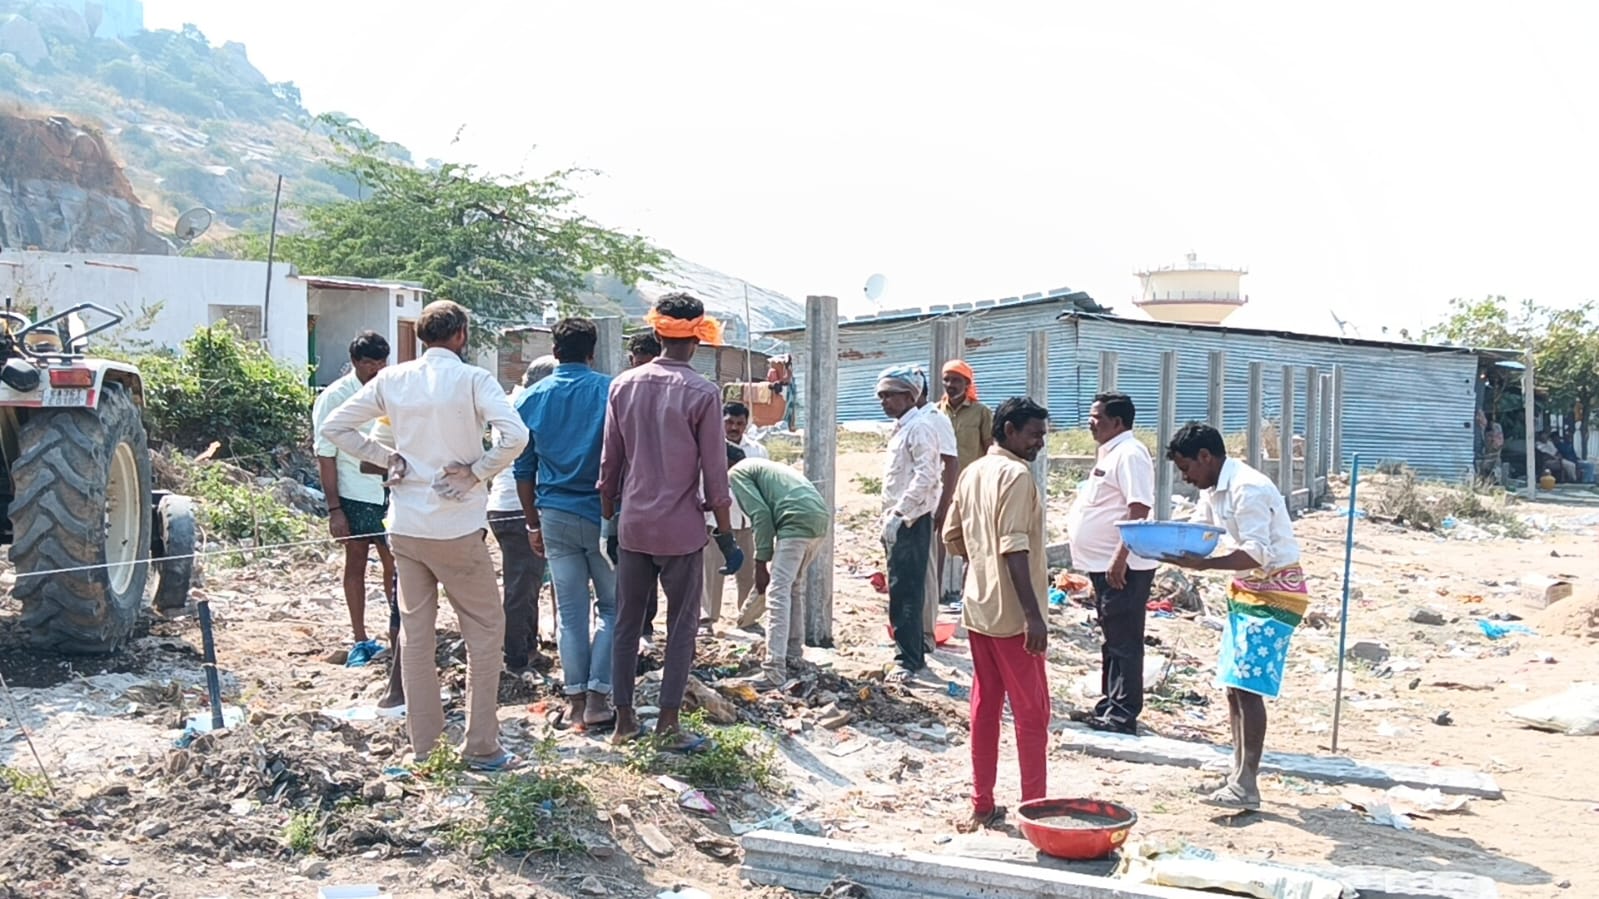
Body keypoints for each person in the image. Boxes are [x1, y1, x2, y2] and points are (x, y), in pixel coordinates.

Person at [321, 300, 529, 771]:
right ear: (461, 335)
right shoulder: (474, 379)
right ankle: (480, 745)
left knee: (415, 637)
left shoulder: (393, 380)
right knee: (484, 631)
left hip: (406, 526)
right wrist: (476, 471)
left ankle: (425, 748)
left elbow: (335, 427)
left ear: (420, 336)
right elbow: (515, 436)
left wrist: (384, 457)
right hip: (456, 527)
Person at [600, 292, 744, 749]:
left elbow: (610, 466)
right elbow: (715, 476)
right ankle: (668, 724)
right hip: (681, 530)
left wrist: (608, 522)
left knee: (626, 622)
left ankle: (623, 722)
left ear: (657, 332)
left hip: (633, 525)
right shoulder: (703, 392)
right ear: (698, 337)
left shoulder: (623, 385)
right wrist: (727, 536)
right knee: (681, 626)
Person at [1163, 422, 1308, 810]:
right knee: (1233, 684)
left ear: (1206, 458)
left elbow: (1256, 552)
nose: (1185, 477)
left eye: (1186, 468)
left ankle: (1247, 782)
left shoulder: (1249, 488)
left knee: (1248, 686)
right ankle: (1238, 774)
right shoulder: (1214, 489)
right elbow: (1201, 530)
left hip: (1275, 590)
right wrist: (1164, 542)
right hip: (1246, 589)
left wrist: (1204, 566)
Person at [944, 397, 1052, 832]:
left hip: (977, 607)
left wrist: (981, 560)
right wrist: (1034, 616)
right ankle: (1036, 811)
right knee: (1032, 715)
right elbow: (1014, 546)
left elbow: (952, 536)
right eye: (1033, 435)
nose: (1039, 444)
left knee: (985, 707)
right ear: (1008, 431)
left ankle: (983, 802)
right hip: (1012, 616)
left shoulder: (973, 472)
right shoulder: (1016, 475)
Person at [515, 320, 617, 732]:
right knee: (612, 609)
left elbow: (524, 469)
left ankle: (574, 704)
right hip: (604, 514)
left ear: (554, 351)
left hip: (552, 513)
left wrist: (531, 524)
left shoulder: (532, 397)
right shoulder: (611, 391)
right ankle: (598, 700)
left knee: (571, 614)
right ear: (592, 352)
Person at [311, 331, 404, 705]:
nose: (376, 370)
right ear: (356, 362)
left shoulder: (391, 390)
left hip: (391, 488)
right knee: (357, 562)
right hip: (354, 492)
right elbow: (325, 454)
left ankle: (397, 635)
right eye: (370, 365)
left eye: (382, 363)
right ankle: (359, 637)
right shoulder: (333, 397)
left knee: (394, 565)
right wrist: (334, 509)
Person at [1065, 392, 1156, 734]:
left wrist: (1120, 558)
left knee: (1124, 640)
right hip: (1106, 564)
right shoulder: (1113, 453)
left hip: (1123, 567)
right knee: (1112, 637)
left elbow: (1138, 509)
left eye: (1097, 417)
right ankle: (1110, 705)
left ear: (1117, 422)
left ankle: (1122, 714)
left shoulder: (1131, 454)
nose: (1091, 423)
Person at [727, 456, 831, 687]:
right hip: (819, 518)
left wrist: (760, 563)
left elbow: (761, 516)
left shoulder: (737, 473)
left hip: (795, 520)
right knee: (792, 587)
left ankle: (774, 669)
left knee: (777, 592)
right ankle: (793, 653)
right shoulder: (761, 466)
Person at [487, 355, 557, 673]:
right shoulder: (531, 406)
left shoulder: (510, 402)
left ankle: (526, 646)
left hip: (505, 505)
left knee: (525, 583)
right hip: (518, 506)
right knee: (522, 586)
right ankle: (516, 656)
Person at [878, 364, 943, 681]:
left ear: (908, 396)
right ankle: (908, 651)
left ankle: (909, 659)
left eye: (889, 395)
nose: (884, 401)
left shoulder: (920, 428)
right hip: (898, 519)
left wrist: (901, 512)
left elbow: (926, 476)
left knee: (907, 591)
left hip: (910, 521)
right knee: (899, 588)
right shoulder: (903, 429)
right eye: (882, 396)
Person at [705, 401, 767, 632]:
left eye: (739, 423)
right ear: (721, 421)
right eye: (729, 422)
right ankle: (707, 619)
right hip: (714, 521)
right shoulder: (708, 446)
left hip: (746, 520)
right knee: (711, 572)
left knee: (749, 573)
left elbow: (763, 483)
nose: (734, 427)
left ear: (746, 424)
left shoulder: (757, 450)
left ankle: (748, 619)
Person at [938, 359, 994, 606]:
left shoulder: (981, 412)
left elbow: (991, 449)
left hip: (971, 487)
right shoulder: (935, 412)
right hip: (939, 487)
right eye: (947, 380)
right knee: (938, 541)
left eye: (956, 380)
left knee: (970, 543)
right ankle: (935, 594)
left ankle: (967, 597)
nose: (951, 385)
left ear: (967, 384)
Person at [914, 367, 960, 651]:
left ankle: (926, 635)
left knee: (928, 573)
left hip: (929, 508)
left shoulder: (934, 419)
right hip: (909, 509)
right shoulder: (911, 421)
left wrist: (943, 508)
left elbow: (951, 463)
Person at [620, 330, 661, 640]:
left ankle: (646, 628)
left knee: (655, 573)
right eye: (637, 364)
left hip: (663, 501)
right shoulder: (621, 392)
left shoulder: (675, 393)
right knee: (630, 575)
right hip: (629, 499)